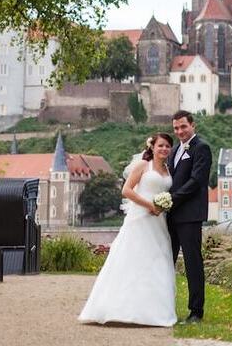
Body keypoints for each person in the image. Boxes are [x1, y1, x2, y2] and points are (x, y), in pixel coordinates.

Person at [78, 133, 177, 327]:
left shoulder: (168, 169)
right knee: (131, 258)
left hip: (159, 220)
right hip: (140, 217)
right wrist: (149, 205)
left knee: (158, 260)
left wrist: (162, 206)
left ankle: (155, 311)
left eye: (167, 146)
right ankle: (116, 308)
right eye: (161, 146)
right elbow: (126, 190)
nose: (164, 149)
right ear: (152, 147)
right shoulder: (142, 166)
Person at [167, 110, 211, 324]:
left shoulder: (202, 148)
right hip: (170, 216)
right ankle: (165, 307)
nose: (180, 131)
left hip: (190, 216)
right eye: (176, 128)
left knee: (193, 263)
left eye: (183, 126)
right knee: (167, 262)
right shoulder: (174, 150)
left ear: (192, 125)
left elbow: (196, 181)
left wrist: (172, 199)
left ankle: (196, 311)